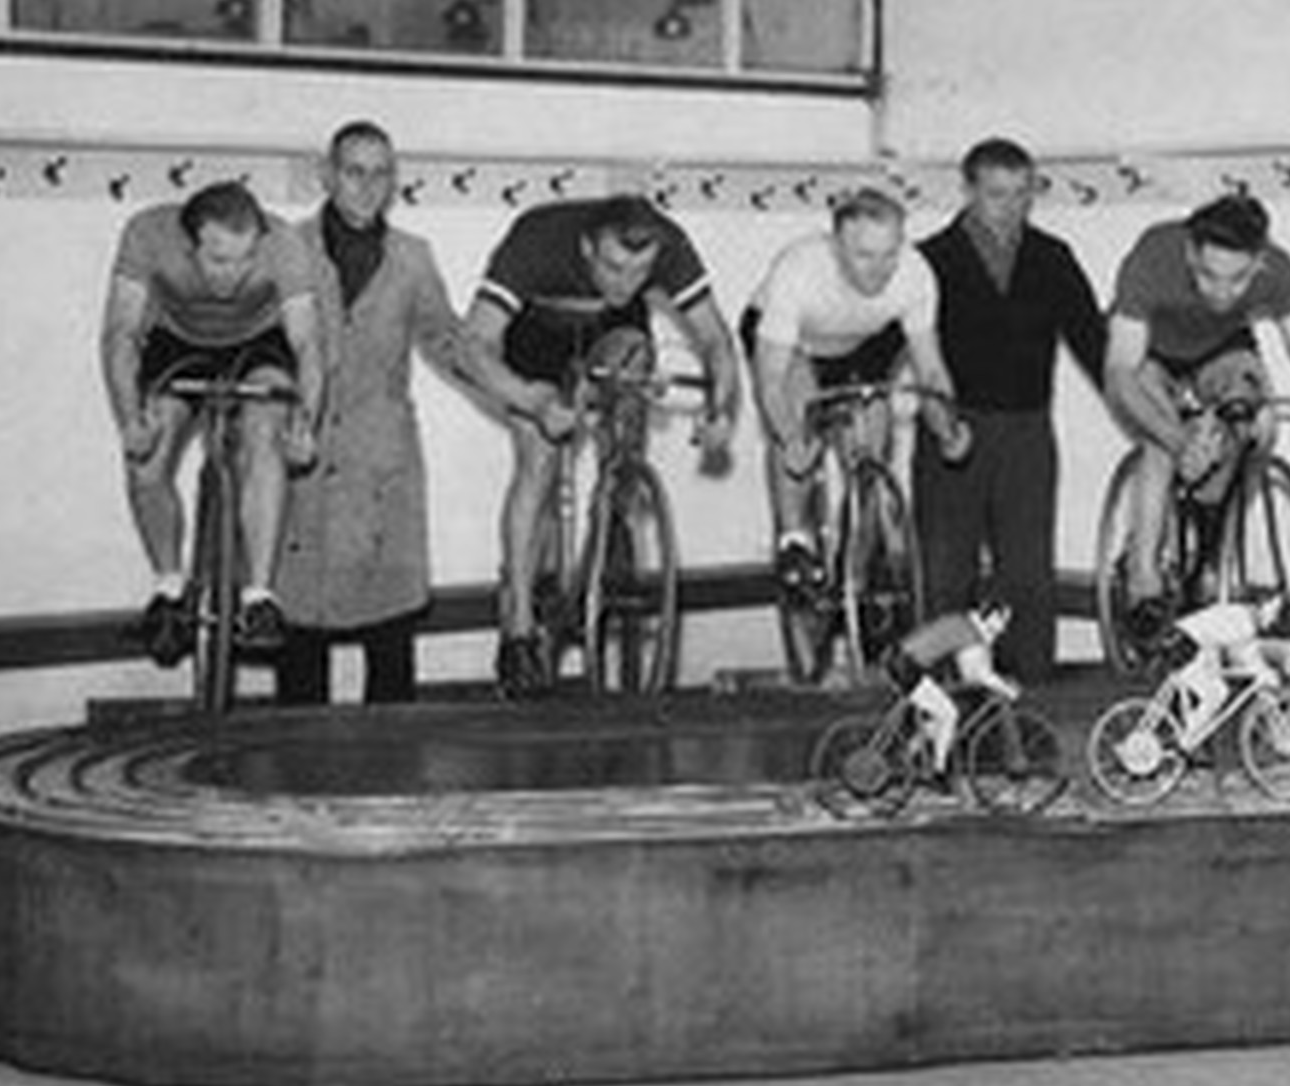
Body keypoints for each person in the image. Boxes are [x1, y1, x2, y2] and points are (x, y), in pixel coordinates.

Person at [463, 194, 742, 696]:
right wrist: (531, 399)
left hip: (612, 329)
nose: (626, 283)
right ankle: (518, 628)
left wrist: (720, 409)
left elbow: (716, 340)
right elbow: (472, 345)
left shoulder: (670, 245)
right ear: (587, 247)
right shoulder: (537, 240)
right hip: (537, 330)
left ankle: (615, 500)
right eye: (613, 267)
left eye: (640, 272)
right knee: (537, 462)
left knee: (632, 368)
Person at [274, 120, 495, 705]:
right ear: (327, 175)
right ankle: (298, 756)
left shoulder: (412, 258)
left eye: (381, 174)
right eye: (354, 172)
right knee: (298, 631)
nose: (368, 186)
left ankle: (394, 758)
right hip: (302, 458)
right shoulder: (285, 248)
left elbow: (447, 341)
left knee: (390, 632)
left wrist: (517, 393)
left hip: (382, 465)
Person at [1103, 192, 1290, 639]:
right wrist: (1179, 441)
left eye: (1238, 280)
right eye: (1208, 276)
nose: (1222, 292)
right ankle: (1143, 574)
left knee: (1259, 426)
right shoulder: (1155, 254)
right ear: (1190, 253)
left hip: (1221, 346)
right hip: (1149, 351)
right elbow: (1120, 372)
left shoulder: (1279, 270)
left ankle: (1210, 539)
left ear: (1259, 262)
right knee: (1160, 441)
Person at [102, 178, 326, 662]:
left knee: (265, 431)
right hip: (178, 339)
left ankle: (259, 598)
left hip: (258, 342)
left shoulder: (284, 244)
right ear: (189, 245)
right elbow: (120, 334)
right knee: (147, 458)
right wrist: (130, 420)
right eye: (220, 261)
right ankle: (168, 587)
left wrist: (305, 424)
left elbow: (308, 344)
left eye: (247, 260)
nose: (236, 275)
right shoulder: (148, 234)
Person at [914, 138, 1109, 684]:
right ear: (969, 191)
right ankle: (937, 688)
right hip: (953, 431)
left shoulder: (1051, 257)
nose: (1012, 207)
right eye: (997, 194)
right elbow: (887, 342)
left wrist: (1145, 410)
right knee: (945, 572)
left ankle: (1032, 688)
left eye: (1023, 194)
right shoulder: (930, 260)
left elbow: (1094, 345)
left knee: (1027, 571)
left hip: (1027, 431)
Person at [743, 187, 969, 609]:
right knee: (799, 418)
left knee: (871, 445)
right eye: (864, 255)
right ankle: (795, 541)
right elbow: (770, 380)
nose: (879, 270)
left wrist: (949, 428)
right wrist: (790, 439)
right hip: (794, 346)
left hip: (861, 342)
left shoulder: (915, 274)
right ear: (836, 247)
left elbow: (931, 370)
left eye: (889, 254)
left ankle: (857, 561)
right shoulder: (800, 270)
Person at [882, 600, 1020, 778]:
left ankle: (909, 750)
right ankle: (938, 771)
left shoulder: (966, 624)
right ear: (992, 617)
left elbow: (973, 665)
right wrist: (1007, 690)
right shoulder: (969, 632)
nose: (1004, 628)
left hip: (901, 661)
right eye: (1003, 621)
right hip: (906, 667)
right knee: (949, 714)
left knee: (942, 719)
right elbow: (976, 675)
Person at [1163, 593, 1288, 752]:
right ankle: (1185, 738)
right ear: (1264, 606)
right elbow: (1248, 657)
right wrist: (1267, 675)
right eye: (1275, 612)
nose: (1274, 621)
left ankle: (1189, 736)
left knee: (1218, 690)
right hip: (1185, 647)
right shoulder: (1245, 622)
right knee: (1217, 693)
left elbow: (1240, 654)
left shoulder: (1241, 615)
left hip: (1188, 644)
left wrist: (1262, 672)